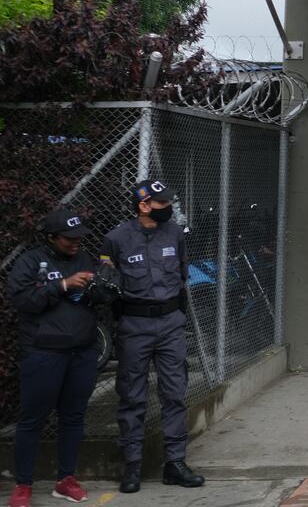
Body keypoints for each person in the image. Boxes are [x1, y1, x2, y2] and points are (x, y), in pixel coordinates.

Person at [7, 209, 117, 507]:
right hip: (44, 353)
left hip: (82, 352)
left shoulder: (83, 258)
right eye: (69, 239)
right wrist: (63, 285)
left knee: (73, 417)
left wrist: (101, 288)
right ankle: (23, 485)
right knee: (32, 420)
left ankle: (66, 479)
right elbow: (21, 300)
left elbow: (97, 301)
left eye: (79, 237)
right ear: (51, 237)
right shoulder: (30, 261)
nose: (75, 243)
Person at [103, 180, 204, 493]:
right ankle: (132, 466)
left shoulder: (175, 233)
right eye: (162, 203)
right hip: (134, 325)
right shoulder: (116, 239)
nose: (168, 208)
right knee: (132, 396)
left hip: (171, 323)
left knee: (174, 393)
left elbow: (182, 274)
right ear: (143, 205)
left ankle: (175, 463)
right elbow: (107, 284)